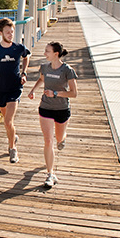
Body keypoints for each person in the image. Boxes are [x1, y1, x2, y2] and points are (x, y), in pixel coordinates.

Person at [27, 41, 78, 188]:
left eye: (47, 51)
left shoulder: (67, 70)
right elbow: (42, 79)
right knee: (48, 141)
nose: (44, 53)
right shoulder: (44, 67)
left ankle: (63, 139)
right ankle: (50, 174)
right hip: (45, 107)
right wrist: (33, 90)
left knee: (59, 138)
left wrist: (56, 93)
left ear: (56, 54)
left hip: (62, 108)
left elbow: (74, 93)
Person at [0, 17, 30, 163]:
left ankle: (12, 149)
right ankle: (12, 136)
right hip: (0, 90)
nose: (11, 35)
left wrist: (24, 73)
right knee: (8, 123)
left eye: (12, 32)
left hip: (15, 88)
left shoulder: (18, 48)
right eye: (7, 32)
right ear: (0, 32)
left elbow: (26, 57)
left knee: (8, 121)